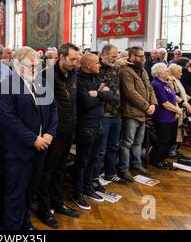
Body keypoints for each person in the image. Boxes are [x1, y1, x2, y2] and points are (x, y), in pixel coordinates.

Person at [0, 47, 58, 230]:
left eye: (37, 65)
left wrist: (49, 134)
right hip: (18, 151)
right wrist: (33, 139)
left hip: (41, 149)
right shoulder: (6, 85)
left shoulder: (42, 82)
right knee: (16, 194)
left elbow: (54, 109)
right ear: (18, 65)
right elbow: (9, 120)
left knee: (30, 191)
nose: (35, 68)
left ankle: (25, 224)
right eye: (31, 65)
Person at [36, 43, 80, 229]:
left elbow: (72, 101)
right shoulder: (46, 75)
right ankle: (43, 209)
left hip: (69, 129)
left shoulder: (73, 74)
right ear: (61, 57)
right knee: (47, 172)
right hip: (53, 133)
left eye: (77, 59)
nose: (76, 63)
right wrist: (49, 132)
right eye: (72, 59)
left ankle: (57, 202)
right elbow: (45, 108)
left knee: (60, 169)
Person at [72, 53, 113, 210]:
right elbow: (86, 102)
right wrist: (100, 94)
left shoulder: (96, 78)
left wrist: (97, 93)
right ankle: (77, 193)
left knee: (93, 159)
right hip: (85, 125)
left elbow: (111, 95)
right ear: (88, 65)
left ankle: (88, 188)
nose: (100, 65)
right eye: (97, 63)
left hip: (98, 124)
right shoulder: (79, 79)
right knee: (82, 161)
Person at [118, 46, 157, 182]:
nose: (144, 59)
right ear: (132, 57)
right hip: (131, 113)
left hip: (143, 112)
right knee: (127, 143)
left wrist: (153, 104)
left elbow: (150, 88)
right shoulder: (125, 71)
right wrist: (147, 106)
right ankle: (124, 169)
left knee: (138, 142)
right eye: (141, 56)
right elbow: (130, 93)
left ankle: (136, 164)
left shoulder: (143, 71)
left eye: (144, 56)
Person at [93, 44, 127, 187]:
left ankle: (110, 173)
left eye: (116, 55)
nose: (115, 58)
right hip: (103, 114)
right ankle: (94, 178)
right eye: (113, 56)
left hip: (116, 113)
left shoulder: (116, 68)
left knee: (114, 146)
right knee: (101, 149)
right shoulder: (96, 69)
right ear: (104, 54)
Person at [150, 63, 181, 169]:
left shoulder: (166, 83)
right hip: (162, 117)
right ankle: (156, 160)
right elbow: (164, 103)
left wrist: (176, 110)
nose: (168, 72)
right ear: (160, 73)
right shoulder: (156, 84)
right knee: (162, 140)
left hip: (171, 116)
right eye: (166, 70)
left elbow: (173, 97)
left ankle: (162, 158)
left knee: (169, 139)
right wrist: (178, 110)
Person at [167, 64, 191, 151]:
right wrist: (185, 104)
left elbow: (183, 94)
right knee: (175, 130)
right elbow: (174, 96)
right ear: (174, 72)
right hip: (174, 108)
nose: (182, 74)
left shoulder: (177, 80)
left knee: (179, 129)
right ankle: (172, 151)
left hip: (181, 107)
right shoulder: (170, 81)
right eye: (180, 71)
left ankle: (175, 149)